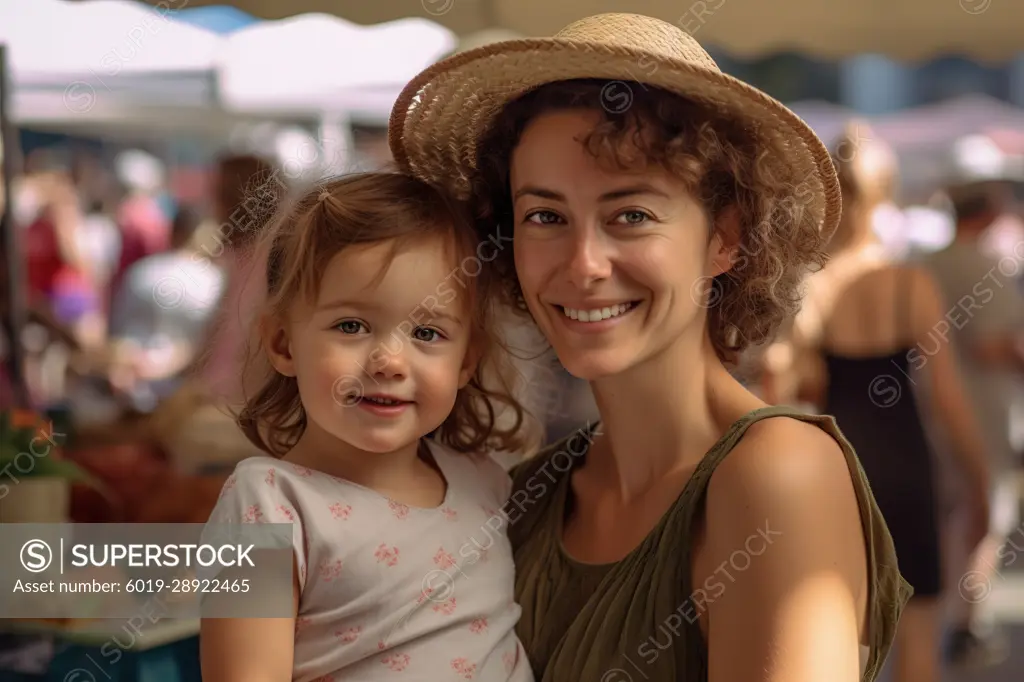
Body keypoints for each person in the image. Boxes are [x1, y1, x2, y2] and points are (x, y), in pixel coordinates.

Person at [389, 13, 911, 682]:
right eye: (544, 216)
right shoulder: (523, 495)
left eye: (630, 215)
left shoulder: (779, 475)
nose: (583, 265)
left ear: (725, 236)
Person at [200, 173, 534, 682]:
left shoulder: (485, 481)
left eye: (427, 332)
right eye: (351, 326)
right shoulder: (268, 504)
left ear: (467, 361)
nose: (389, 362)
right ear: (284, 344)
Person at [783, 125, 992, 682]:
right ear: (885, 194)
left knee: (841, 640)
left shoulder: (812, 286)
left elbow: (788, 390)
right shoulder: (909, 284)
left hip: (839, 472)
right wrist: (980, 482)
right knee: (919, 637)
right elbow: (947, 401)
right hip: (906, 469)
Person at [922, 136, 1024, 668]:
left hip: (938, 410)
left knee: (954, 514)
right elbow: (990, 343)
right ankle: (964, 623)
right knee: (984, 514)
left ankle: (950, 617)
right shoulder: (981, 267)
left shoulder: (928, 263)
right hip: (982, 413)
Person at [106, 204, 227, 411]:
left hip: (135, 392)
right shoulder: (215, 281)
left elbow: (117, 335)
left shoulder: (141, 272)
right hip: (190, 400)